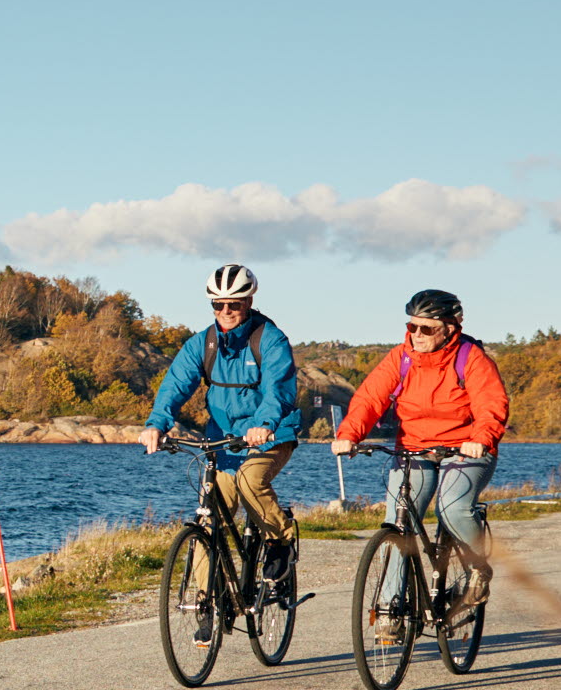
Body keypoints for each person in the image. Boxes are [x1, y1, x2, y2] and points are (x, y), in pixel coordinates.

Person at [331, 288, 508, 631]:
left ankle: (477, 567)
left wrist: (479, 440)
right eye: (412, 327)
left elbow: (491, 405)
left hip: (466, 448)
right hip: (415, 448)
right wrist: (350, 434)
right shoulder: (401, 358)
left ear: (451, 327)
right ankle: (388, 609)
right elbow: (370, 398)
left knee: (453, 507)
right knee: (399, 522)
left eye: (426, 329)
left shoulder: (471, 358)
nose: (416, 335)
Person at [141, 264, 300, 579]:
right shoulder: (203, 344)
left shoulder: (270, 340)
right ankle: (205, 603)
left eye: (234, 304)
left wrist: (265, 424)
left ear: (249, 302)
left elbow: (277, 390)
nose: (226, 311)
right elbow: (175, 385)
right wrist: (157, 424)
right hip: (224, 440)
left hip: (271, 435)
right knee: (208, 519)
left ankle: (281, 539)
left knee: (249, 481)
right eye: (218, 304)